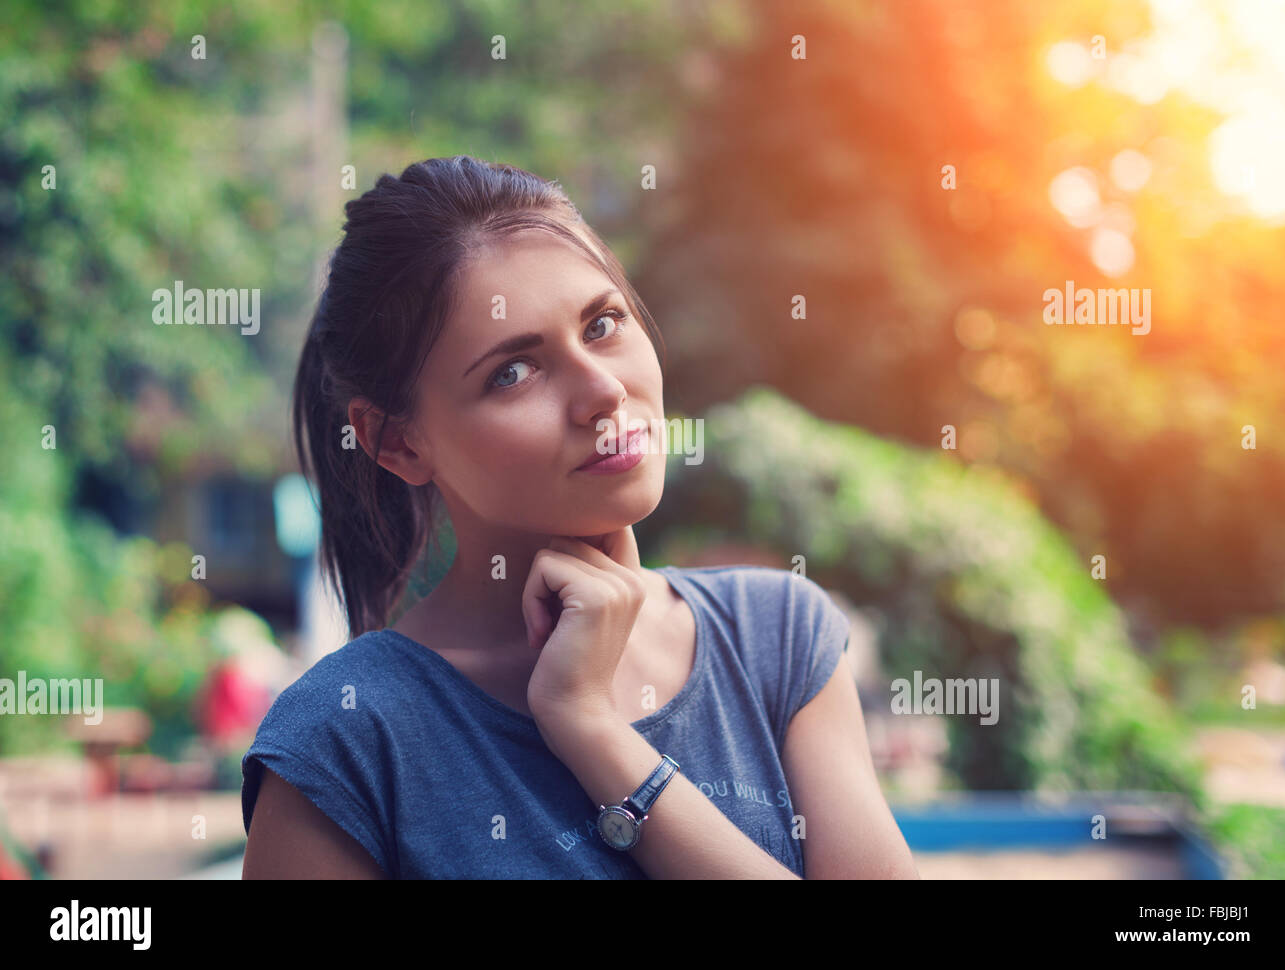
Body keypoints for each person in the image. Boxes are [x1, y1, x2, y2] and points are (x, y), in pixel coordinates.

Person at [240, 155, 916, 879]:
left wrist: (593, 731)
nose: (601, 389)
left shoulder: (776, 638)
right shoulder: (347, 743)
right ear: (397, 441)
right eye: (513, 372)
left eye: (603, 323)